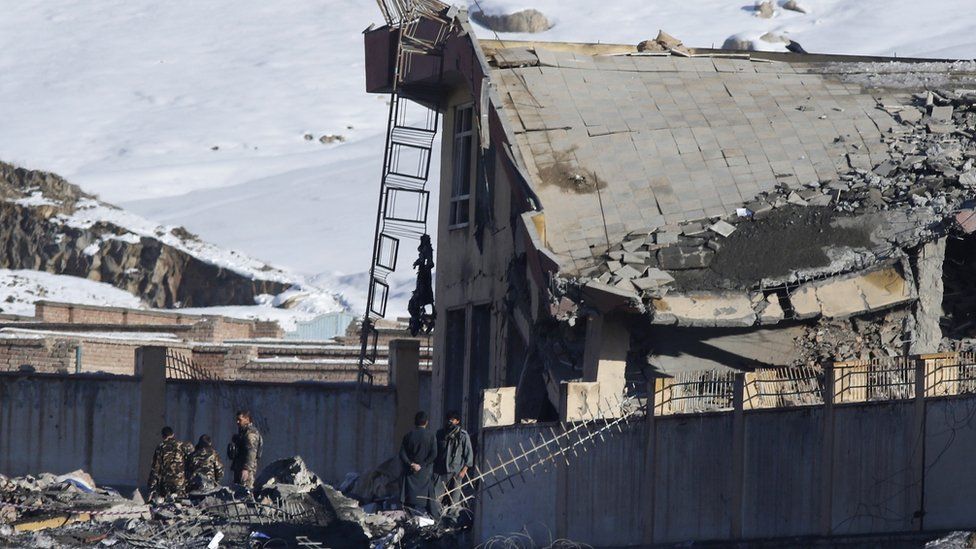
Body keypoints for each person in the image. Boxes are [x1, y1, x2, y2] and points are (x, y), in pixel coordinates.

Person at [434, 410, 474, 516]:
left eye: (452, 420)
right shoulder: (440, 434)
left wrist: (464, 470)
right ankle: (437, 519)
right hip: (441, 471)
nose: (450, 422)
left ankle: (451, 520)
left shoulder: (463, 435)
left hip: (456, 472)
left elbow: (469, 455)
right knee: (436, 498)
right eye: (448, 419)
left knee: (454, 499)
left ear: (457, 421)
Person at [399, 411, 438, 516]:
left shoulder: (408, 436)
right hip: (424, 472)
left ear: (415, 422)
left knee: (409, 499)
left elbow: (402, 454)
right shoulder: (431, 436)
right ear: (426, 422)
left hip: (410, 472)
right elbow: (434, 454)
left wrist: (411, 464)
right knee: (426, 498)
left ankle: (411, 517)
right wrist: (423, 464)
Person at [148, 426, 192, 498]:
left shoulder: (160, 447)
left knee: (166, 503)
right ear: (173, 434)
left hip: (166, 484)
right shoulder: (182, 445)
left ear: (163, 436)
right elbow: (192, 459)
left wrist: (151, 486)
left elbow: (155, 468)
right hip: (180, 483)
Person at [228, 410, 263, 489]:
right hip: (239, 467)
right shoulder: (243, 432)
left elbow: (251, 452)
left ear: (247, 419)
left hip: (246, 469)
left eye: (239, 420)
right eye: (236, 419)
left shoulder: (251, 433)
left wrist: (246, 469)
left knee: (245, 491)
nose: (237, 422)